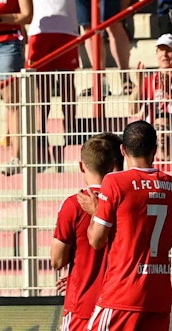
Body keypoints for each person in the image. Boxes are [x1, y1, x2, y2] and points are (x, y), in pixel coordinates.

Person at [81, 120, 172, 331]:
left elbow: (96, 240)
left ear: (123, 150)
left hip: (123, 292)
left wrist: (96, 212)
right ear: (154, 150)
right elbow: (169, 240)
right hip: (158, 296)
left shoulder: (115, 182)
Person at [52, 133, 122, 331]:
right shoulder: (123, 202)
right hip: (116, 305)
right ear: (112, 165)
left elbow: (57, 260)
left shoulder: (73, 204)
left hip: (81, 306)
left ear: (81, 166)